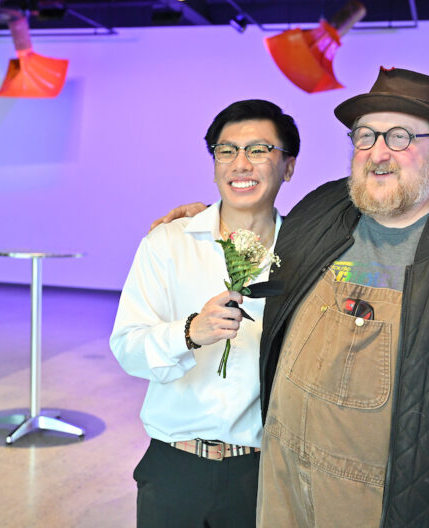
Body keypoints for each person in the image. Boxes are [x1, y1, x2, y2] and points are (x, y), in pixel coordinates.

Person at [152, 67, 429, 527]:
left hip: (382, 497)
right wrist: (213, 217)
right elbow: (270, 241)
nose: (377, 153)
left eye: (400, 137)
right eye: (365, 136)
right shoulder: (322, 210)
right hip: (281, 482)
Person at [110, 99, 299, 527]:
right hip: (175, 467)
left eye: (259, 150)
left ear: (288, 166)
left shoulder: (305, 253)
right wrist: (189, 332)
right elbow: (127, 348)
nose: (240, 164)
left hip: (261, 471)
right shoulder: (168, 244)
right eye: (226, 150)